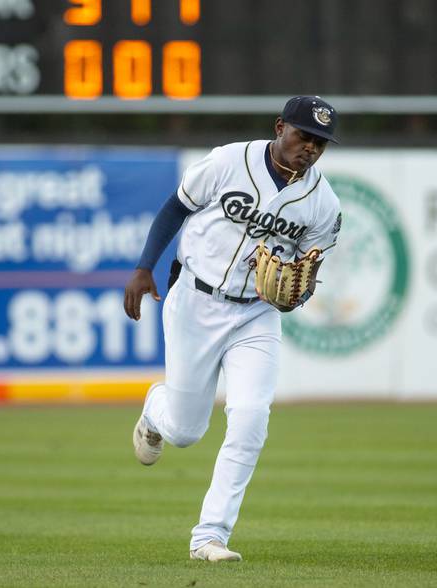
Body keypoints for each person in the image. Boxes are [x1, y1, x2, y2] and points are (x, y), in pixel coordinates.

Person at [123, 96, 342, 562]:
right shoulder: (229, 160)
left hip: (256, 315)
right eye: (304, 135)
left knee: (250, 419)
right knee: (184, 432)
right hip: (195, 301)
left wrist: (295, 295)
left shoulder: (322, 202)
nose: (311, 148)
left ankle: (210, 536)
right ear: (280, 127)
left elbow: (307, 274)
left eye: (320, 142)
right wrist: (145, 267)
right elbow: (175, 207)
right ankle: (155, 409)